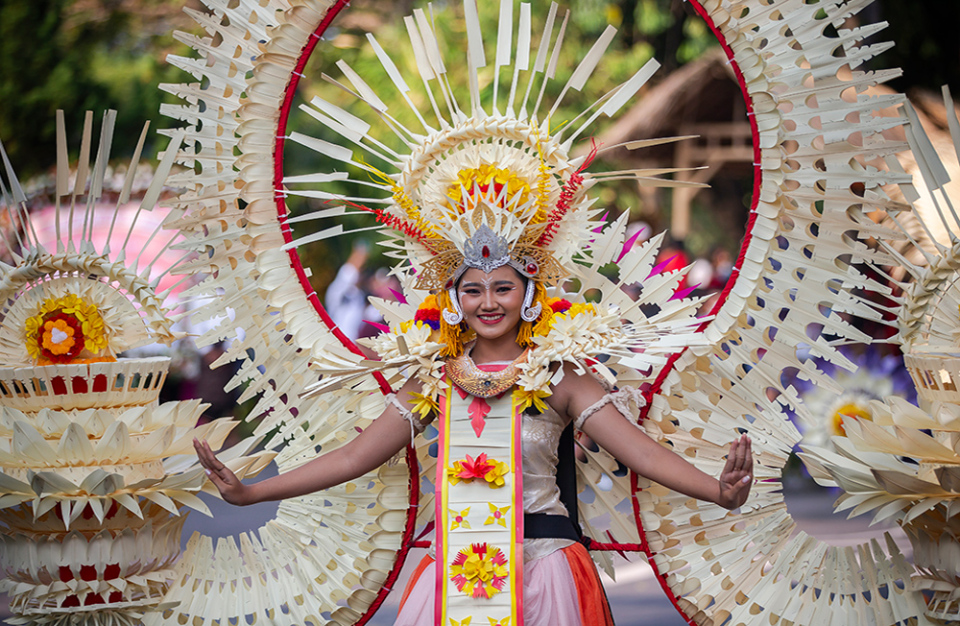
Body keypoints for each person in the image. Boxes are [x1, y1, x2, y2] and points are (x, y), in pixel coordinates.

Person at [195, 262, 753, 625]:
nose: (489, 302)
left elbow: (641, 453)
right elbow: (355, 456)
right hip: (455, 570)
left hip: (544, 571)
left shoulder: (561, 375)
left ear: (528, 295)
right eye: (473, 289)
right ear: (454, 298)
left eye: (503, 287)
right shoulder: (432, 376)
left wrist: (718, 490)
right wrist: (252, 493)